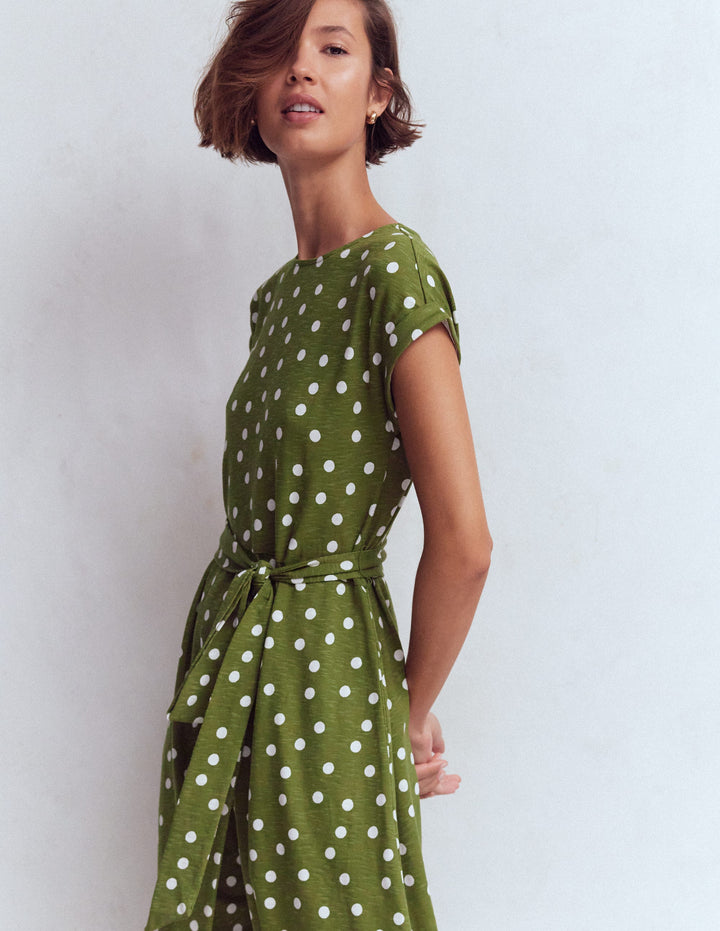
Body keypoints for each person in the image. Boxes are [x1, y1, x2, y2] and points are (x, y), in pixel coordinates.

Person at [145, 0, 492, 928]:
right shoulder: (279, 298)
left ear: (378, 94)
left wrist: (399, 715)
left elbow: (465, 542)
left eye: (333, 49)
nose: (301, 69)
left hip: (324, 670)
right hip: (234, 656)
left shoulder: (394, 274)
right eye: (279, 52)